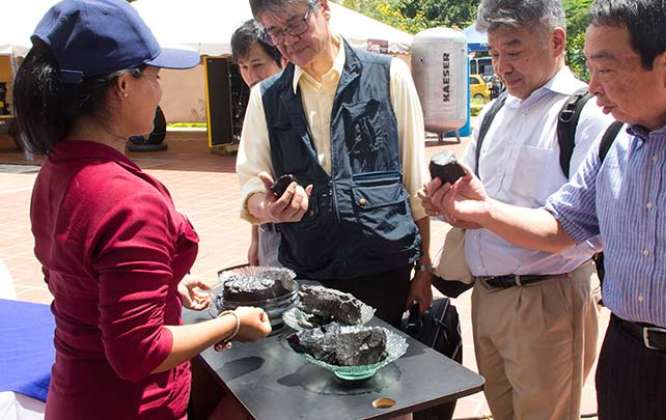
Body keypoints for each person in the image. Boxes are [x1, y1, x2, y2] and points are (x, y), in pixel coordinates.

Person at [422, 0, 666, 418]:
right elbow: (561, 225)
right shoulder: (617, 142)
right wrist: (481, 211)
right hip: (627, 359)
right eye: (590, 69)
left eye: (606, 70)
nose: (592, 87)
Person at [13, 1, 272, 419]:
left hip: (74, 395)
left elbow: (84, 279)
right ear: (122, 85)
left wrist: (165, 280)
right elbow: (139, 352)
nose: (159, 90)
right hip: (131, 406)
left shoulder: (55, 171)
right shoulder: (129, 200)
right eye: (153, 76)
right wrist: (232, 323)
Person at [424, 0, 610, 418]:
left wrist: (485, 212)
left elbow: (583, 229)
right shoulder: (493, 112)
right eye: (493, 54)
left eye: (514, 50)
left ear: (556, 41)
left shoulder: (587, 113)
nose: (501, 67)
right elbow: (477, 202)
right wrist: (449, 206)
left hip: (548, 300)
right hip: (487, 299)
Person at [236, 0, 433, 325]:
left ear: (323, 8)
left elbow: (417, 186)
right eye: (274, 32)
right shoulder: (266, 98)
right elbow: (251, 186)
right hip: (308, 274)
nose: (287, 40)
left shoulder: (389, 76)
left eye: (295, 24)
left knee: (390, 371)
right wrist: (268, 209)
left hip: (384, 273)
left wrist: (424, 269)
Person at [231, 19, 285, 267]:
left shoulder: (293, 100)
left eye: (257, 64)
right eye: (243, 67)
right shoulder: (257, 102)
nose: (250, 76)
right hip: (269, 228)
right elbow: (254, 176)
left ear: (281, 58)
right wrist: (255, 239)